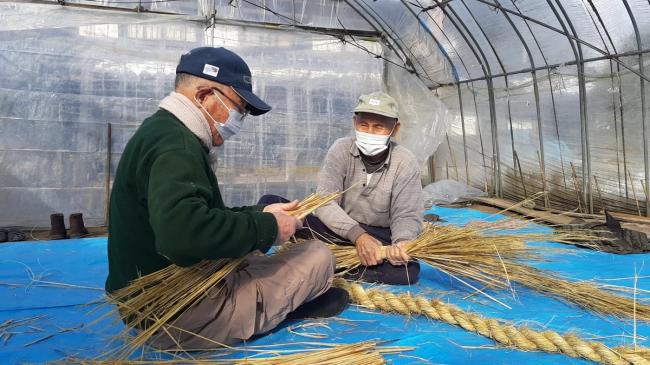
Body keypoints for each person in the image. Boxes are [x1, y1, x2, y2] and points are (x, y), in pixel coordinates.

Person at [105, 47, 348, 349]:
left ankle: (272, 298)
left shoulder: (161, 130)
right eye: (239, 108)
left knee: (253, 254)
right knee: (318, 257)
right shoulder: (177, 146)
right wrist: (268, 229)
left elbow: (200, 214)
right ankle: (278, 309)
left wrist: (262, 212)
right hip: (174, 314)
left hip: (150, 303)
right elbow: (181, 235)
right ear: (205, 95)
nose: (240, 119)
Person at [258, 91, 423, 285]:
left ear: (394, 129)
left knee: (407, 271)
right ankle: (338, 263)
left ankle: (324, 266)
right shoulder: (341, 149)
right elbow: (324, 202)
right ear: (355, 123)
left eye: (378, 127)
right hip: (340, 228)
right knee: (269, 204)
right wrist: (358, 236)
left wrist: (401, 244)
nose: (369, 132)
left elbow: (406, 214)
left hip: (380, 237)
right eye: (364, 125)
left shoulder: (405, 161)